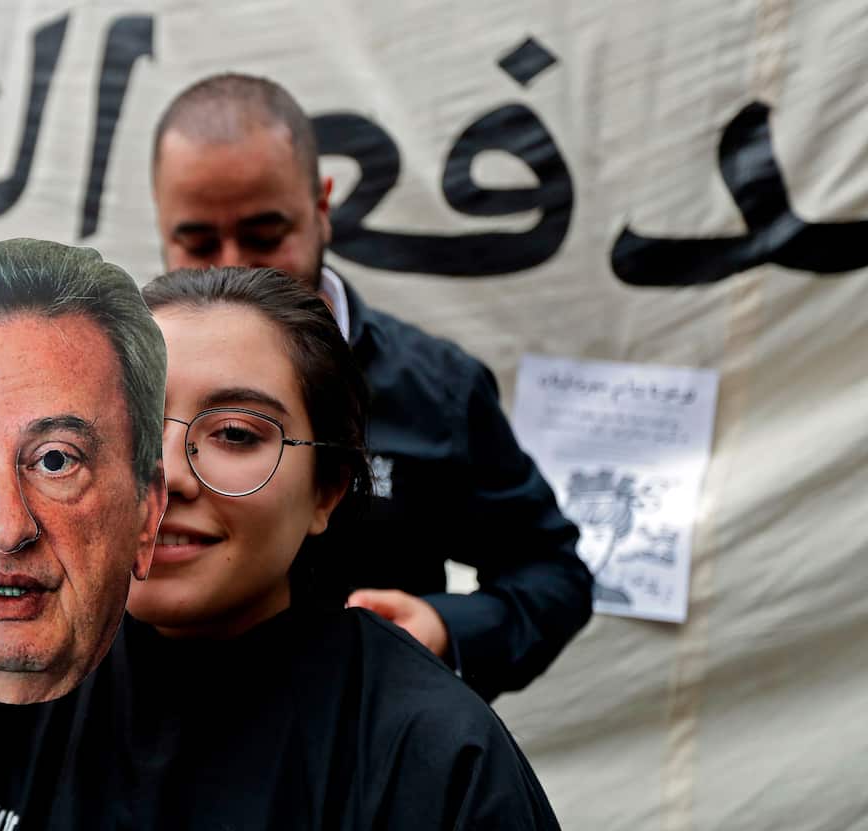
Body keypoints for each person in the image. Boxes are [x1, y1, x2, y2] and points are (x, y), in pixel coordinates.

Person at [0, 265, 568, 831]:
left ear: (329, 489)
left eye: (232, 433)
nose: (164, 476)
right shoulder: (10, 683)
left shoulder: (431, 762)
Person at [150, 72, 593, 701]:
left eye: (265, 236)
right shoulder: (109, 379)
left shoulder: (436, 390)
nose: (233, 266)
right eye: (197, 243)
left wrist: (444, 628)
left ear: (323, 207)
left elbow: (552, 572)